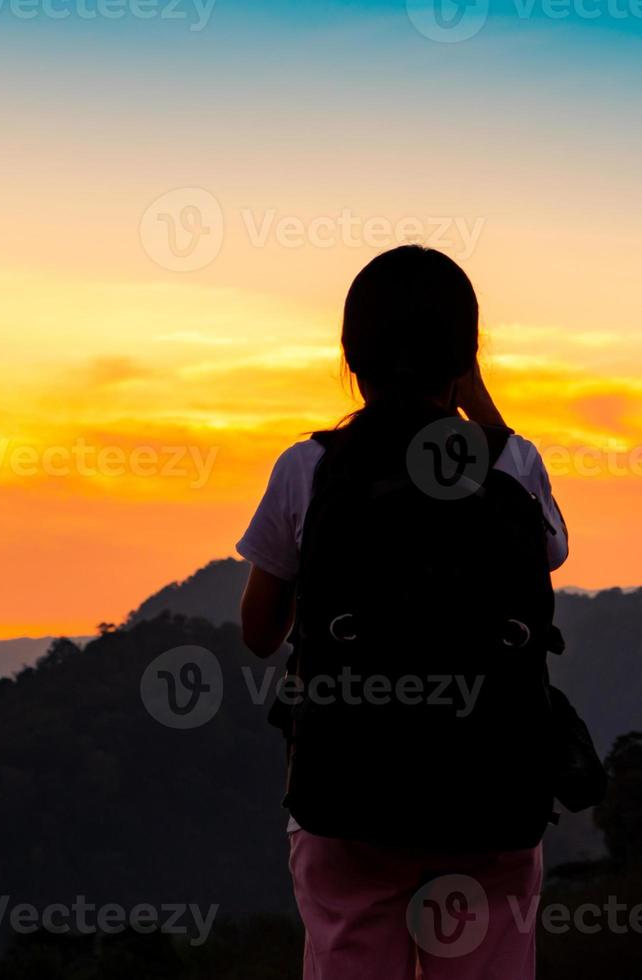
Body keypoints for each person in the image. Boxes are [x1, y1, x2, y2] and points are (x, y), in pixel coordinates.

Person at [235, 245, 569, 980]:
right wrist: (473, 393)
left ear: (351, 356)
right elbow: (550, 554)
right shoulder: (512, 463)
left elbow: (259, 635)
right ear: (466, 356)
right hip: (493, 801)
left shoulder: (309, 468)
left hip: (347, 800)